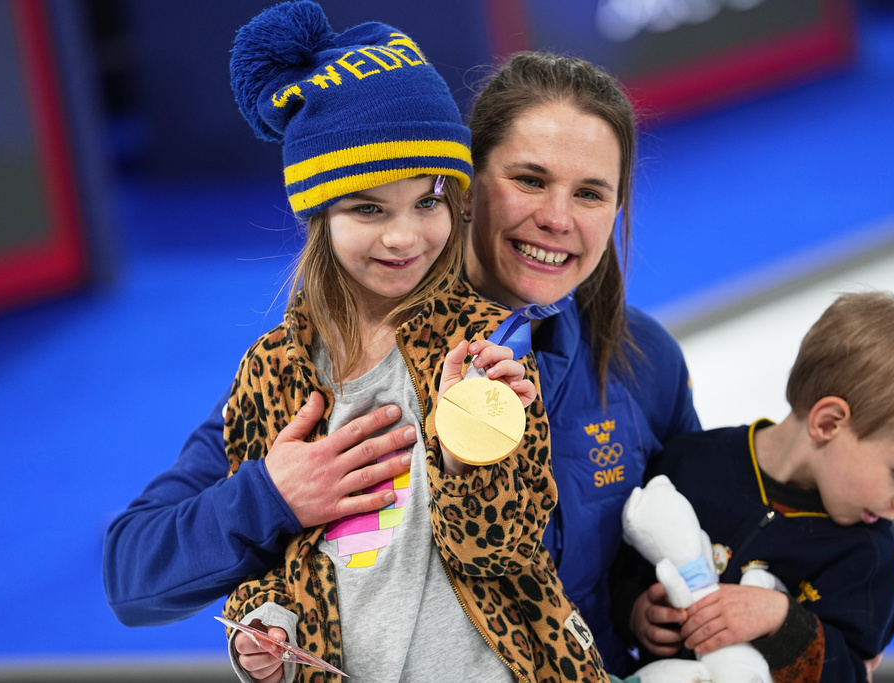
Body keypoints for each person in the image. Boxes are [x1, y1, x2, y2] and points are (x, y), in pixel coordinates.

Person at [103, 34, 699, 678]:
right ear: (464, 189)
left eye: (590, 193)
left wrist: (654, 604)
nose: (558, 218)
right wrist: (272, 496)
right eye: (530, 180)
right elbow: (133, 576)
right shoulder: (328, 370)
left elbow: (693, 539)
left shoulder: (643, 361)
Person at [211, 3, 607, 682]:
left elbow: (508, 553)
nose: (404, 236)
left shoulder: (481, 343)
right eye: (368, 207)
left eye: (427, 202)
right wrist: (261, 627)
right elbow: (264, 564)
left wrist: (466, 460)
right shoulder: (269, 374)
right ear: (317, 215)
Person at [612, 291, 894, 682]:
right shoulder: (691, 463)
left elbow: (852, 671)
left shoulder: (866, 558)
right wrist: (636, 613)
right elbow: (619, 568)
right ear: (828, 423)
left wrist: (781, 620)